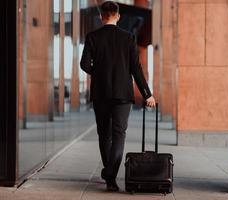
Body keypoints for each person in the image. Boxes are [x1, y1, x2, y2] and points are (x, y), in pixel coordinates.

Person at [80, 1, 156, 192]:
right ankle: (110, 174)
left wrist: (97, 72)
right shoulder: (128, 37)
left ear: (101, 16)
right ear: (118, 16)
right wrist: (147, 94)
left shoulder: (92, 37)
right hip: (123, 93)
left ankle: (109, 177)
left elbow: (84, 64)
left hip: (101, 93)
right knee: (119, 134)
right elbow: (136, 69)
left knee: (104, 134)